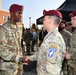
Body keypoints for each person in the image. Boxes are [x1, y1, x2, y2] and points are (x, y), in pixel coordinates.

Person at [23, 9, 66, 75]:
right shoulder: (50, 36)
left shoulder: (54, 39)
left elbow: (52, 70)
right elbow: (42, 53)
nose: (43, 22)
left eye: (44, 19)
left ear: (50, 21)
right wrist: (29, 58)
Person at [0, 4, 24, 75]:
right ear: (11, 13)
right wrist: (19, 58)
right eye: (19, 12)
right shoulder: (3, 29)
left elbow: (19, 47)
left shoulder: (18, 28)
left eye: (21, 13)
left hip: (19, 67)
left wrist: (21, 59)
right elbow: (2, 50)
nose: (21, 15)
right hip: (8, 69)